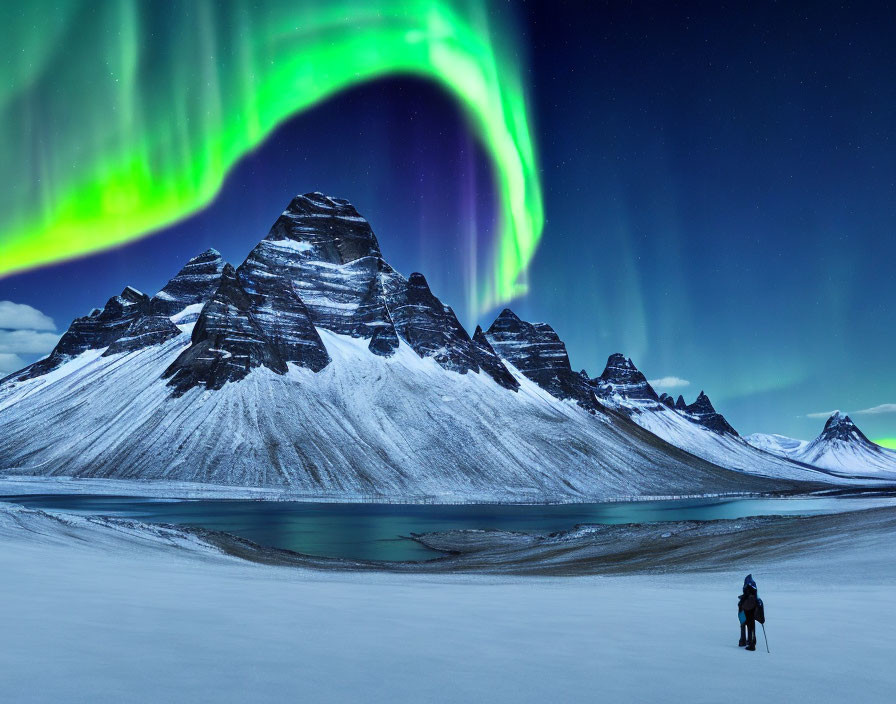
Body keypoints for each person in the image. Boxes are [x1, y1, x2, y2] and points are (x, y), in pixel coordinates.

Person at [738, 574, 759, 651]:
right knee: (750, 626)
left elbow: (745, 597)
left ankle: (748, 643)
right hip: (751, 610)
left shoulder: (748, 588)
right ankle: (750, 641)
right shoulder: (753, 588)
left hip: (746, 611)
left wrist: (741, 601)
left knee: (745, 625)